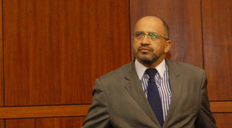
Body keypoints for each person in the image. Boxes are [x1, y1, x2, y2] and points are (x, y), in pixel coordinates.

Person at [80, 16, 216, 128]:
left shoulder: (194, 78)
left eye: (153, 35)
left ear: (167, 45)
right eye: (139, 35)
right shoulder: (108, 86)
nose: (144, 41)